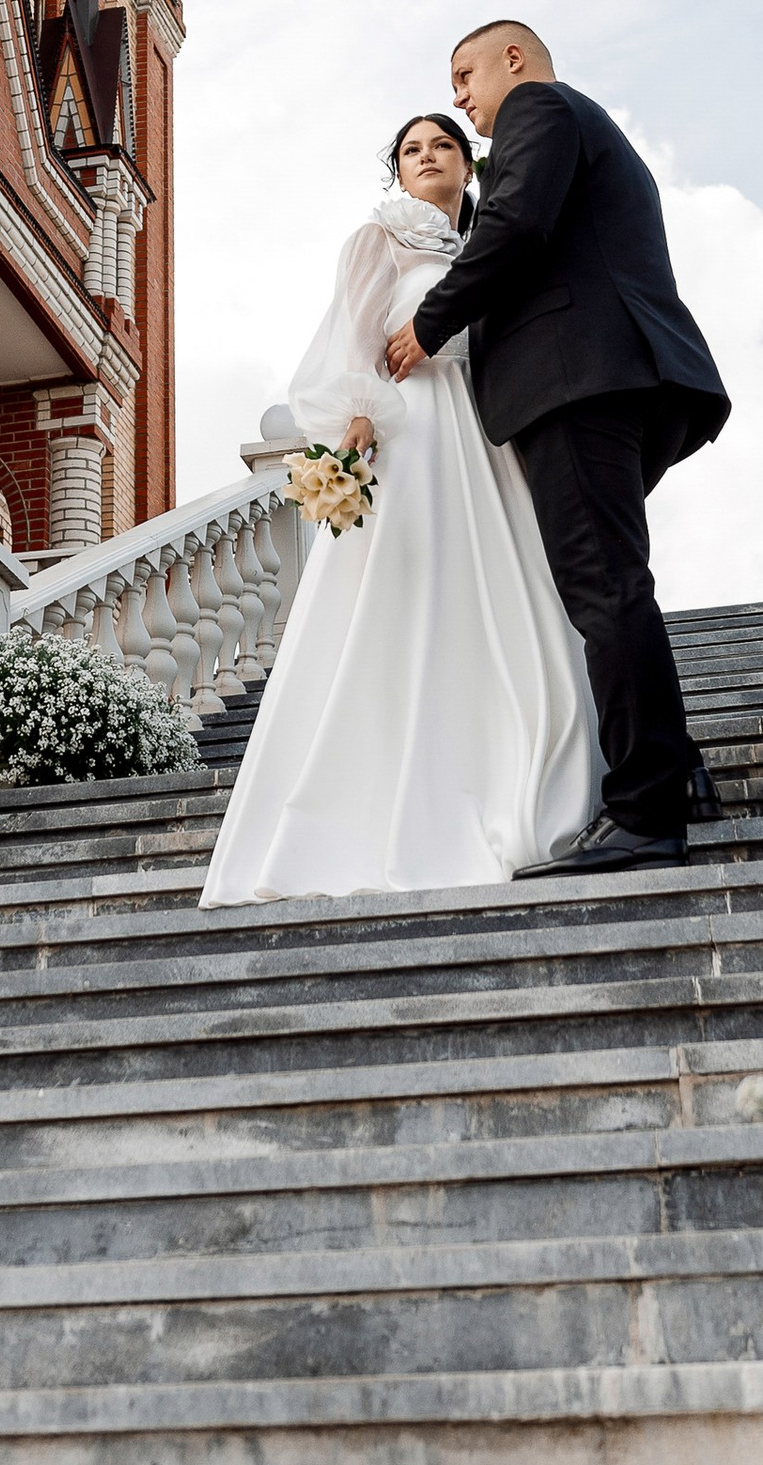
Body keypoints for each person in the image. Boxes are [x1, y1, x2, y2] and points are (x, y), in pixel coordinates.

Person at [200, 110, 602, 906]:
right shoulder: (380, 237)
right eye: (411, 150)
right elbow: (355, 340)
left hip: (487, 440)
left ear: (468, 163)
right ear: (398, 170)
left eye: (442, 145)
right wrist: (357, 427)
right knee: (409, 598)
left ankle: (515, 776)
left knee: (505, 598)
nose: (427, 158)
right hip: (412, 435)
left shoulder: (493, 243)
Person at [385, 19, 728, 869]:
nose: (460, 96)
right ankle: (674, 771)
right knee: (611, 581)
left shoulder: (540, 108)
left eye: (465, 74)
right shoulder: (573, 123)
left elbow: (517, 231)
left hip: (578, 383)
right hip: (607, 379)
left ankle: (645, 809)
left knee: (603, 589)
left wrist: (428, 324)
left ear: (514, 60)